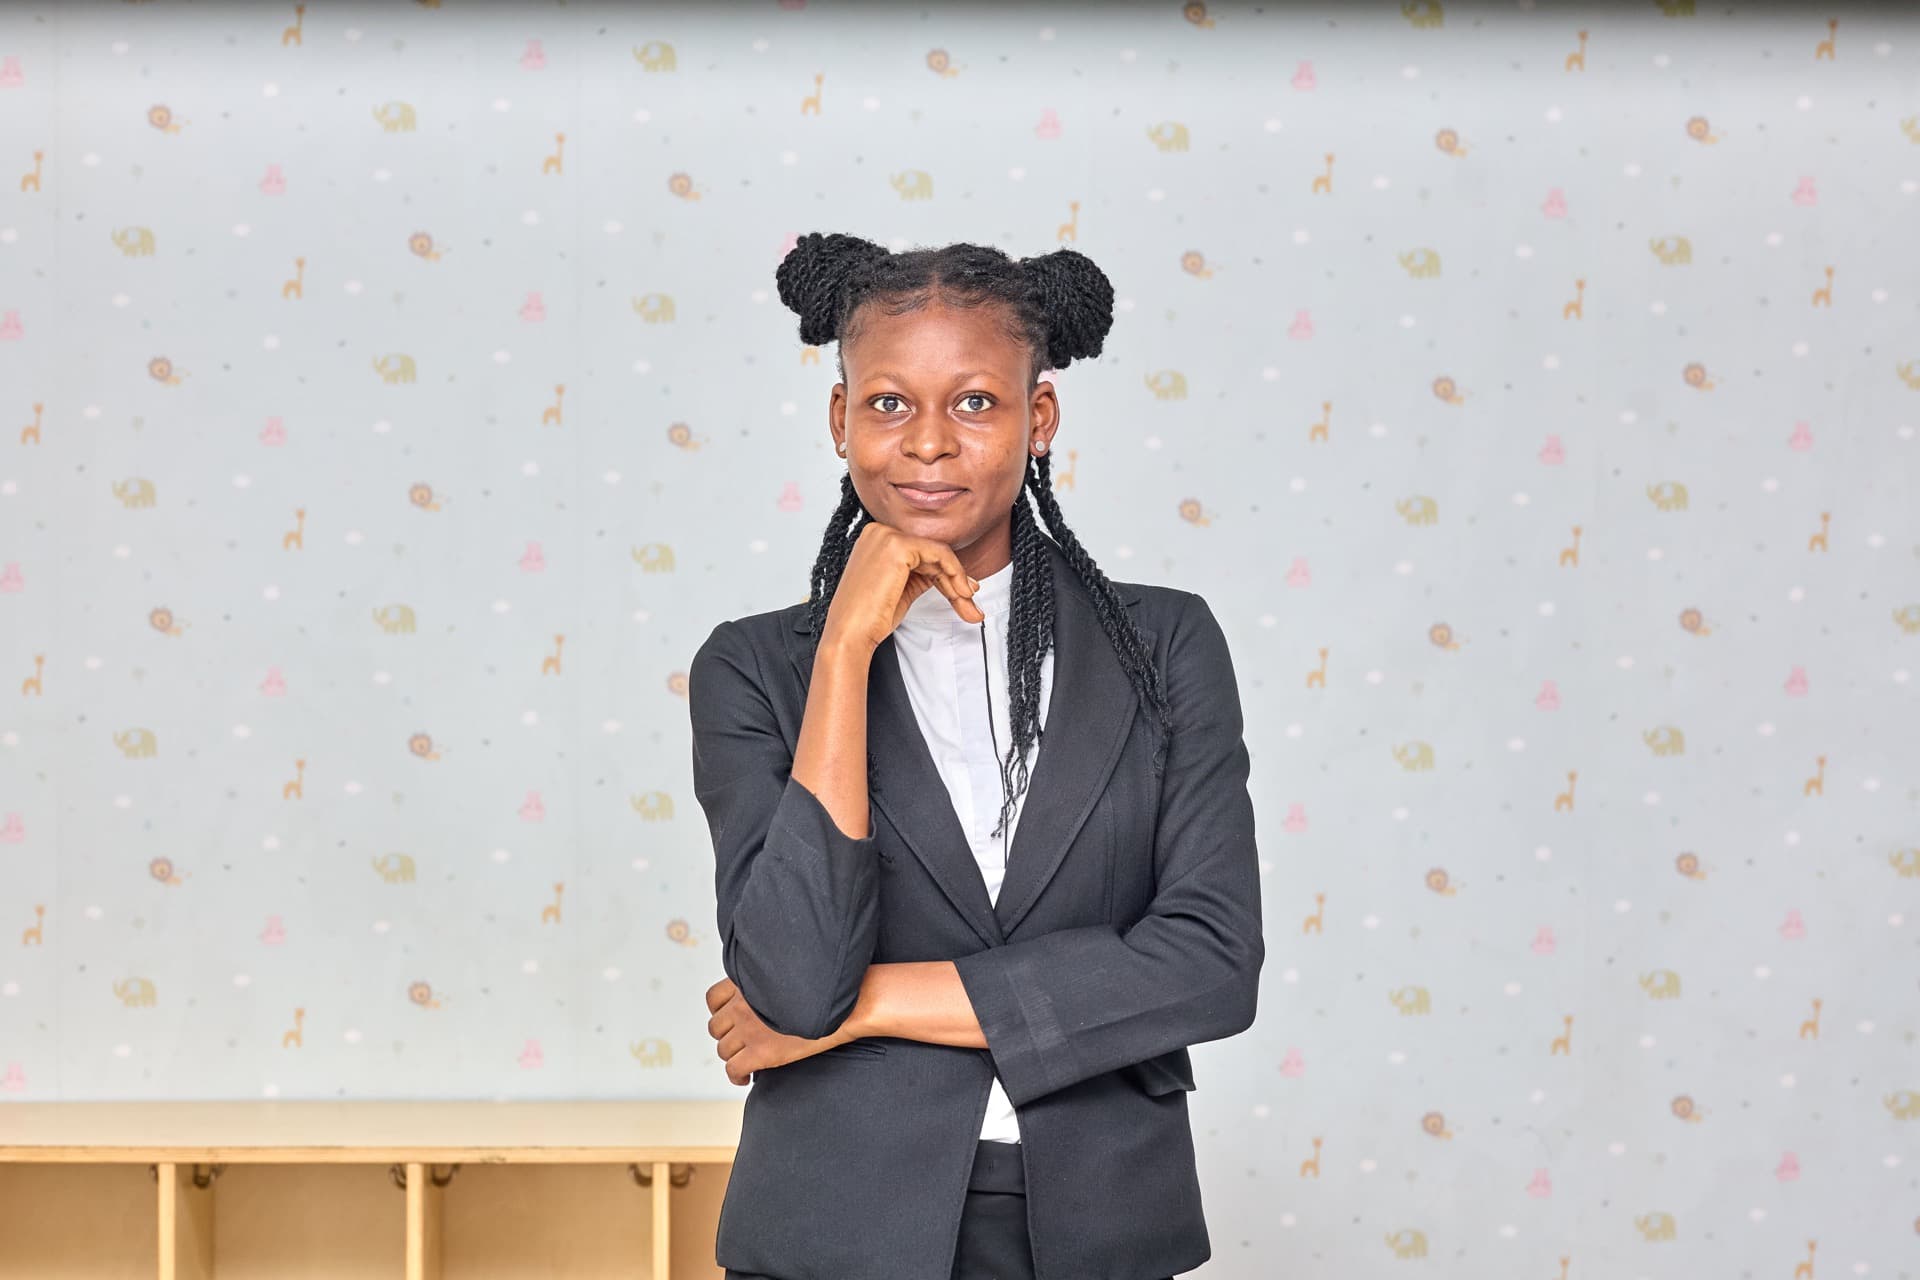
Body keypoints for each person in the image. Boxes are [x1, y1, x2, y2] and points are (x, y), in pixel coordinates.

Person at [688, 232, 1264, 1280]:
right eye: (890, 403)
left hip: (1100, 1226)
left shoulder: (1164, 644)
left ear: (1038, 420)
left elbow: (1211, 966)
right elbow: (792, 979)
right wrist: (844, 650)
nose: (928, 444)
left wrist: (858, 1009)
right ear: (840, 420)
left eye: (975, 402)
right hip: (832, 1228)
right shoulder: (755, 666)